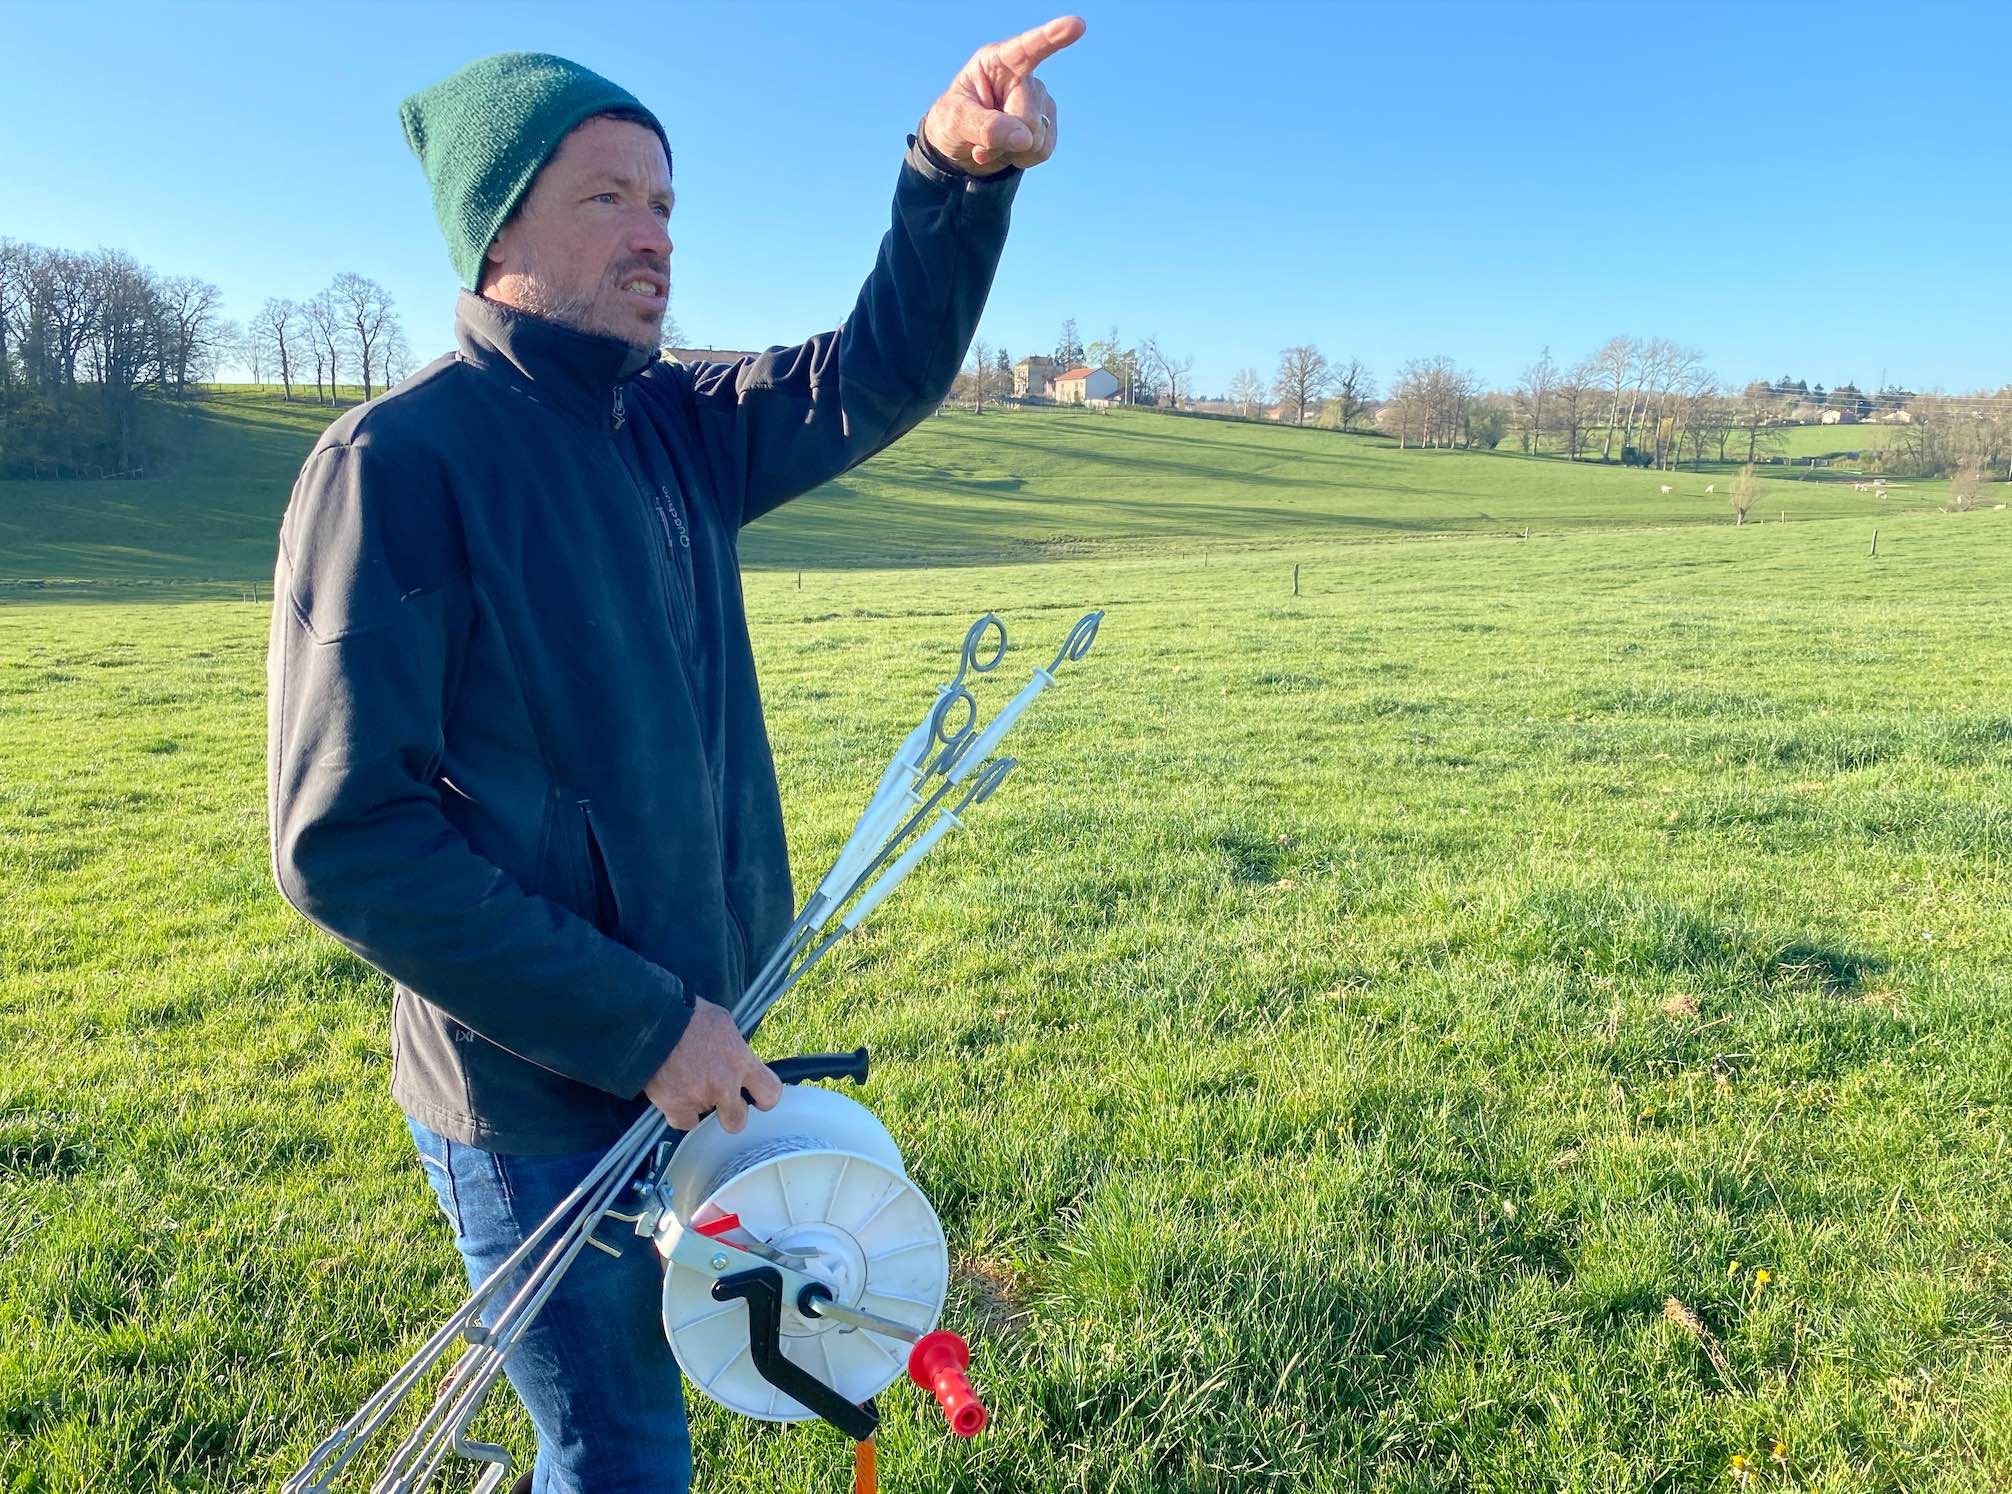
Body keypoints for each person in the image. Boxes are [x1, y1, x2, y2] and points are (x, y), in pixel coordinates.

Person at [266, 19, 1082, 1493]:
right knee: (622, 1446)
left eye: (665, 204)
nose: (655, 237)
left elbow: (868, 376)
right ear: (499, 228)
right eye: (608, 200)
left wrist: (954, 183)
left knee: (628, 1425)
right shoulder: (396, 467)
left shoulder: (676, 426)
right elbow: (347, 839)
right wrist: (643, 1023)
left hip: (699, 1047)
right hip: (532, 1099)